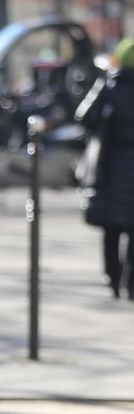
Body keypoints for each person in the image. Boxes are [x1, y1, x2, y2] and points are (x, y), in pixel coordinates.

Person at [75, 37, 134, 300]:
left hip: (110, 163)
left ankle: (112, 277)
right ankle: (131, 282)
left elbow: (84, 117)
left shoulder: (109, 86)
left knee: (111, 224)